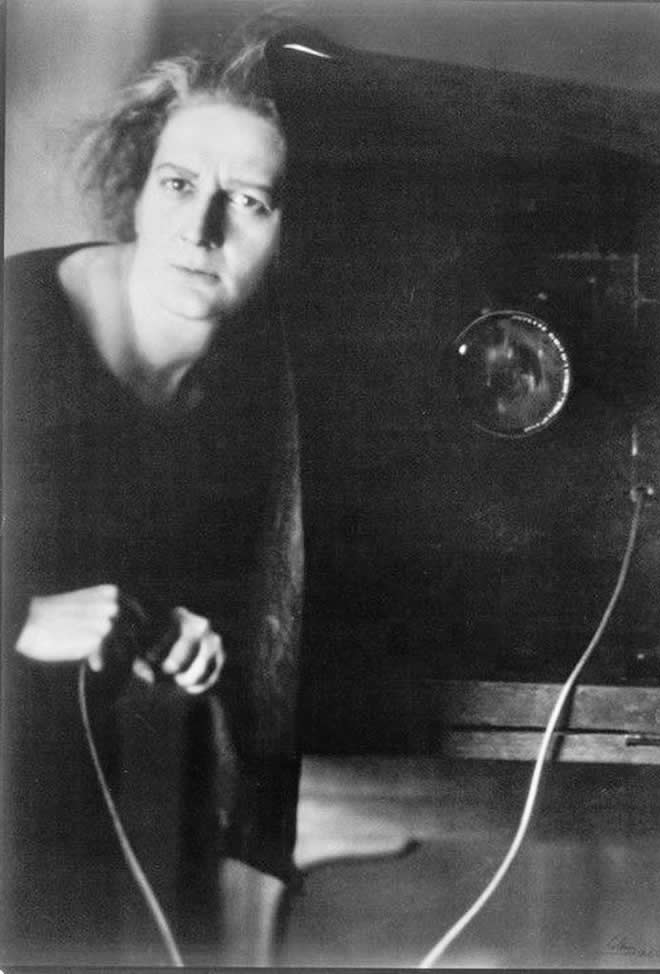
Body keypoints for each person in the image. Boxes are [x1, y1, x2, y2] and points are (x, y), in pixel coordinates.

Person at [1, 30, 303, 966]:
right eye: (178, 185)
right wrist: (18, 616)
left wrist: (186, 630)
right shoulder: (14, 324)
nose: (200, 229)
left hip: (72, 823)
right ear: (140, 186)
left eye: (248, 203)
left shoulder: (259, 402)